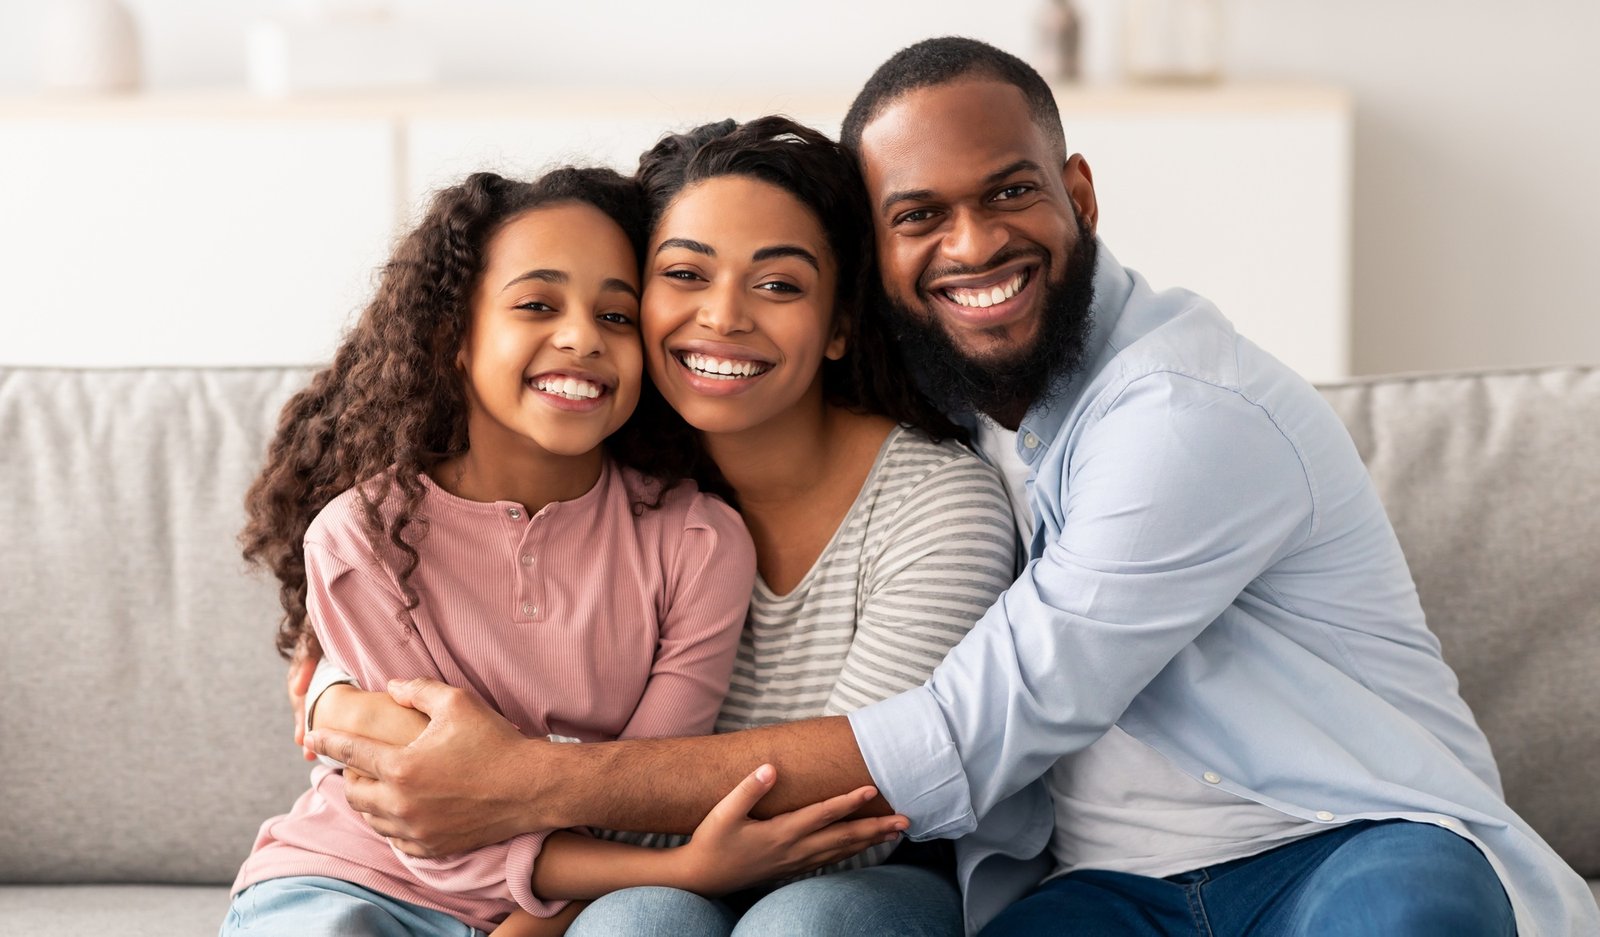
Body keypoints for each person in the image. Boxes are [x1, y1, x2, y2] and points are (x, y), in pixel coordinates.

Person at [304, 38, 1600, 937]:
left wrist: (528, 782)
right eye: (921, 215)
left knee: (1410, 914)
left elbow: (958, 743)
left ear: (1077, 193)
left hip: (1344, 837)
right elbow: (409, 524)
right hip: (1116, 889)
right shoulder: (940, 405)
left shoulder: (1179, 416)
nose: (973, 244)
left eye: (1011, 194)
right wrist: (334, 688)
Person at [307, 116, 1018, 936]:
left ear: (839, 325)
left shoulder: (938, 507)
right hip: (627, 881)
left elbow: (856, 814)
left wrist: (514, 781)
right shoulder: (611, 467)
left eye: (780, 285)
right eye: (683, 274)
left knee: (805, 922)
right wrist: (333, 686)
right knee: (638, 922)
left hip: (861, 879)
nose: (722, 317)